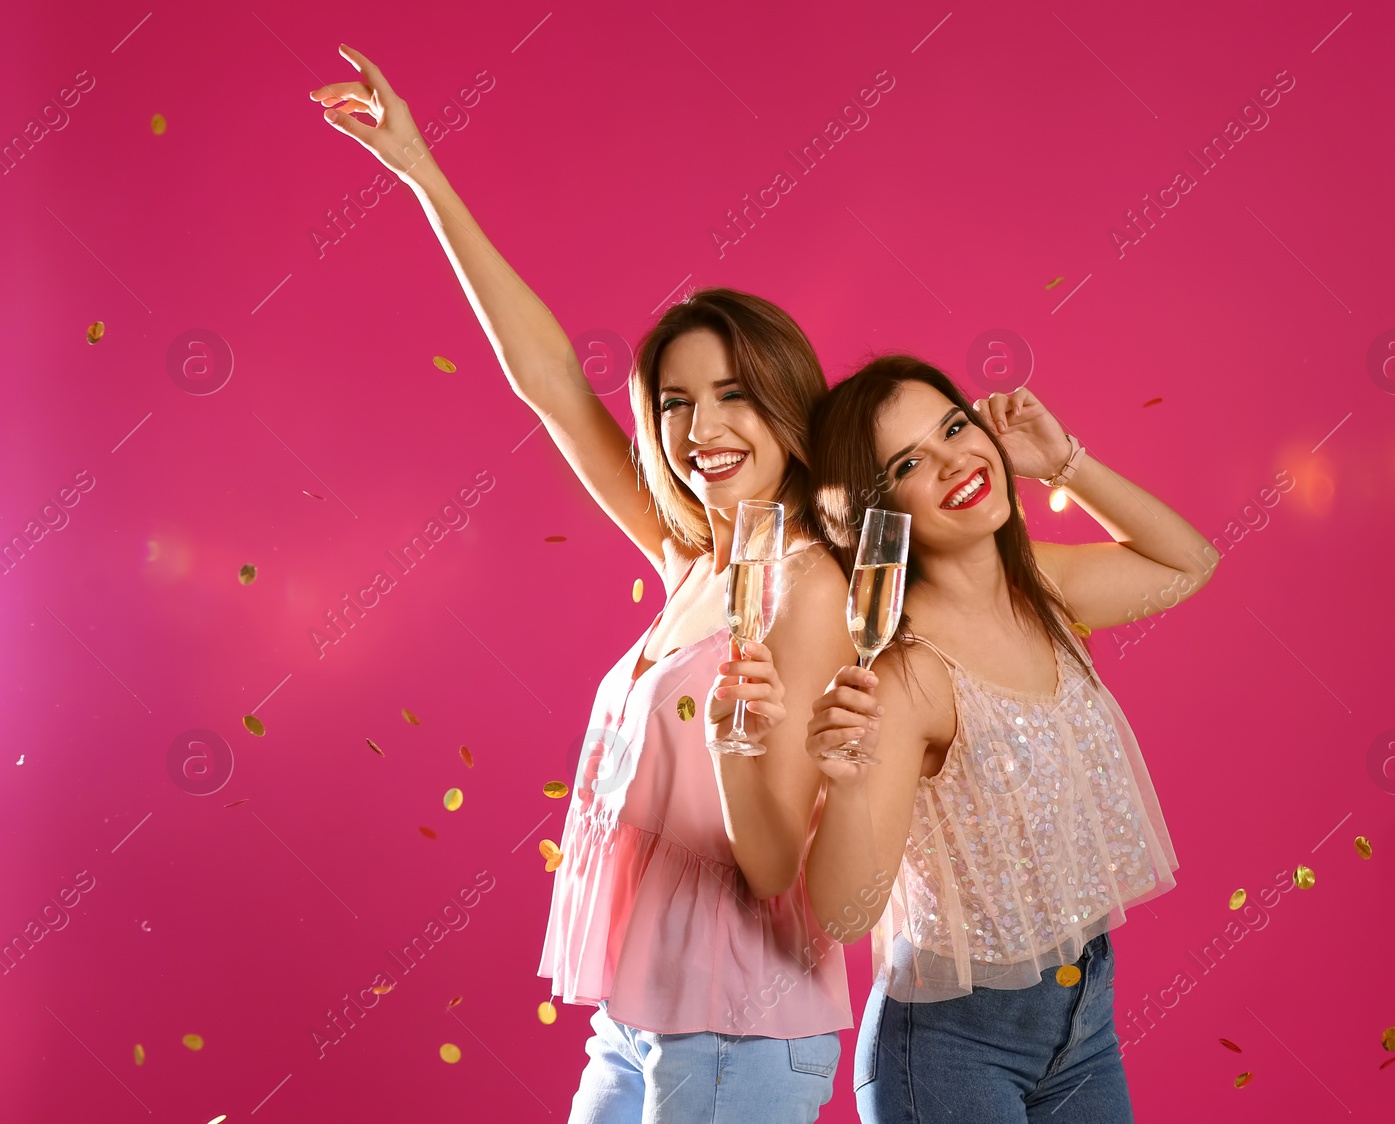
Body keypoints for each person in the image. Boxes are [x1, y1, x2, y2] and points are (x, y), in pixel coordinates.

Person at [309, 45, 855, 1123]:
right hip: (640, 1020)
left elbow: (783, 850)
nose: (701, 428)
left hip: (740, 1027)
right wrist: (423, 170)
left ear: (790, 402)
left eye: (735, 393)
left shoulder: (812, 585)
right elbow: (551, 383)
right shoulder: (696, 560)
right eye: (674, 401)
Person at [798, 355, 1211, 1122]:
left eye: (956, 425)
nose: (957, 458)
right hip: (953, 1045)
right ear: (879, 514)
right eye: (911, 462)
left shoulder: (1042, 591)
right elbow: (845, 916)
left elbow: (1188, 565)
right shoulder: (908, 674)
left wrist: (1066, 464)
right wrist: (846, 778)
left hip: (1083, 1017)